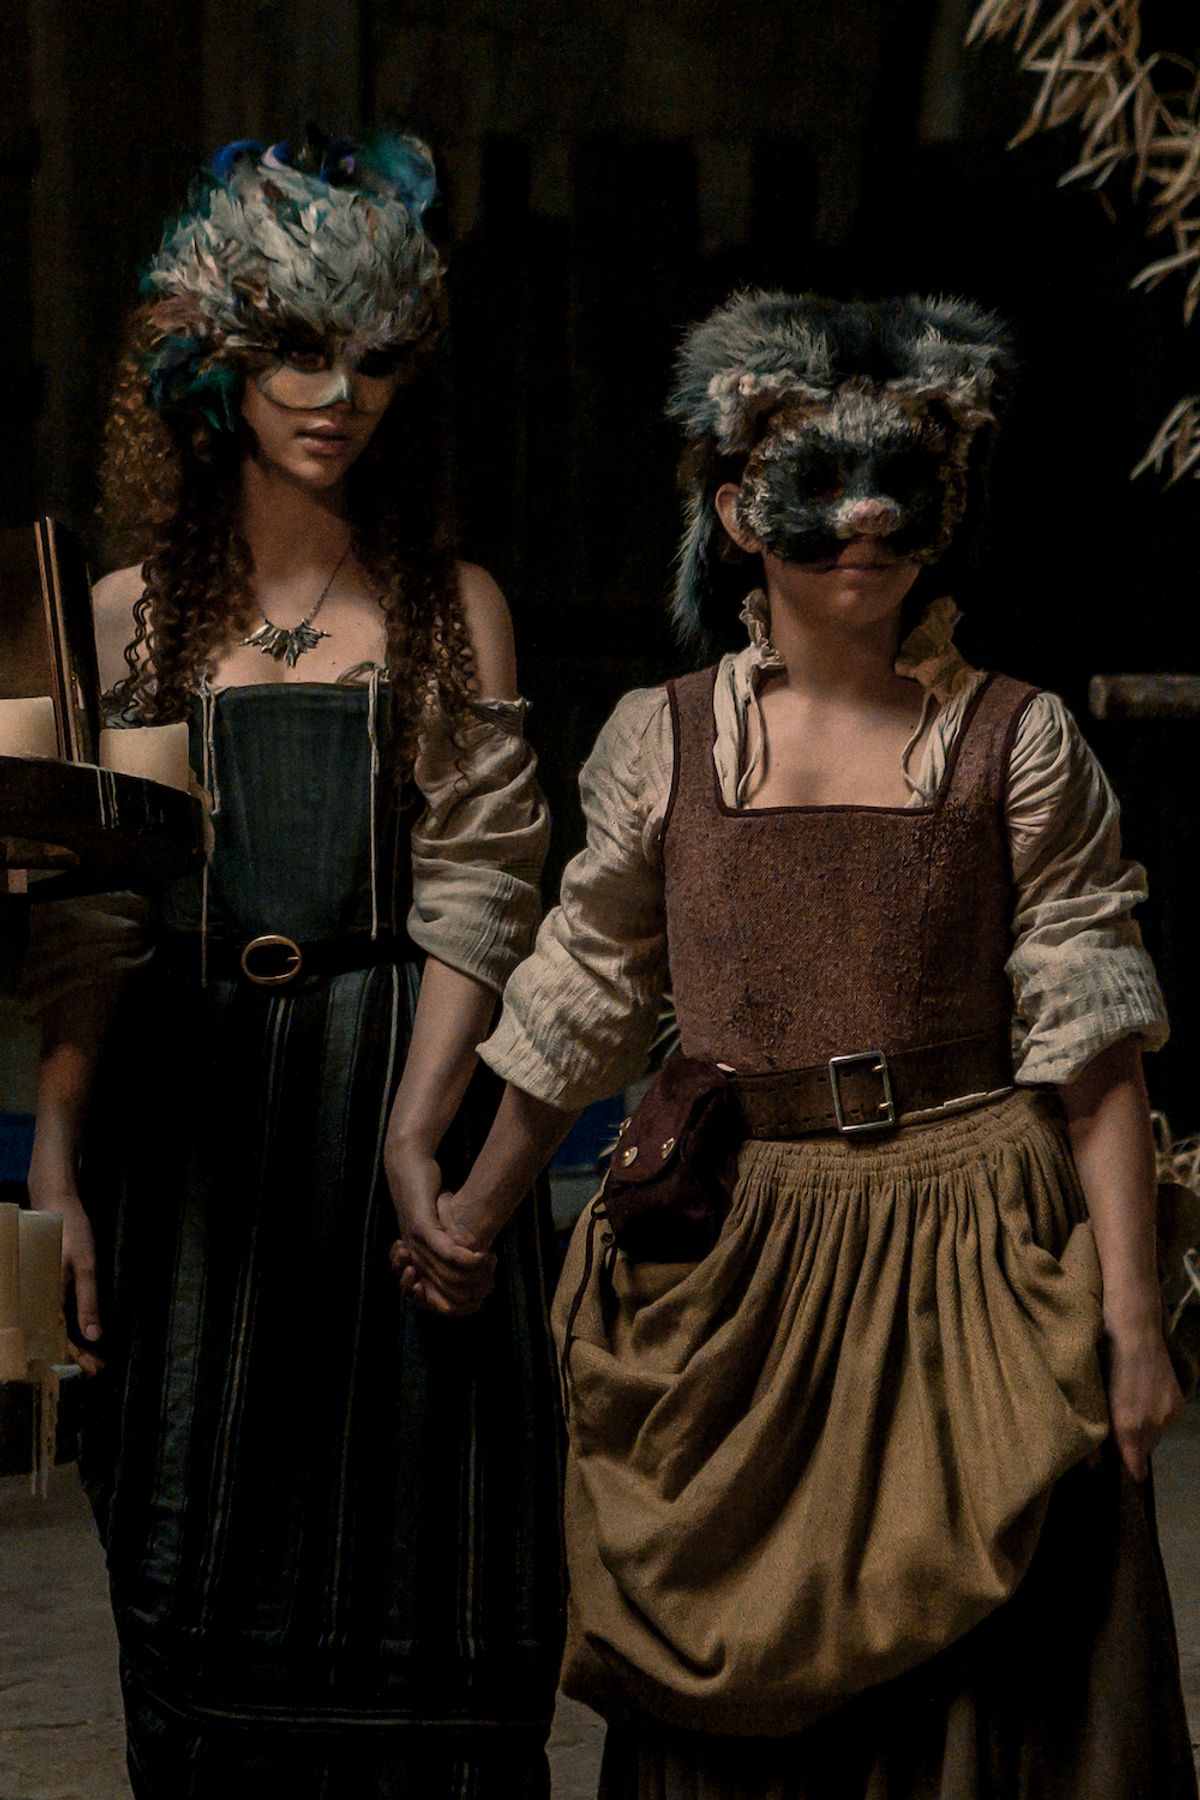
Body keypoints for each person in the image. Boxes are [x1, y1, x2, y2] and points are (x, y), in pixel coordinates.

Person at [392, 290, 1197, 1797]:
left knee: (989, 1674)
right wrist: (474, 1218)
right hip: (743, 1250)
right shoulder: (664, 737)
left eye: (902, 480)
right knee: (742, 1674)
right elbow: (581, 995)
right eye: (819, 486)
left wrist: (1133, 1321)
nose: (867, 520)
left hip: (973, 1241)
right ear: (735, 514)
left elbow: (1093, 1046)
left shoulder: (1017, 738)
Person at [24, 128, 563, 1797]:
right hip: (190, 1117)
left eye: (378, 357)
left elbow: (482, 893)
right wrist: (57, 1161)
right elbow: (95, 921)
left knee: (427, 1550)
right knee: (188, 1530)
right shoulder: (124, 615)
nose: (341, 393)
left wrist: (417, 1130)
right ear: (214, 360)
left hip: (396, 1073)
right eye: (301, 349)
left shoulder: (451, 605)